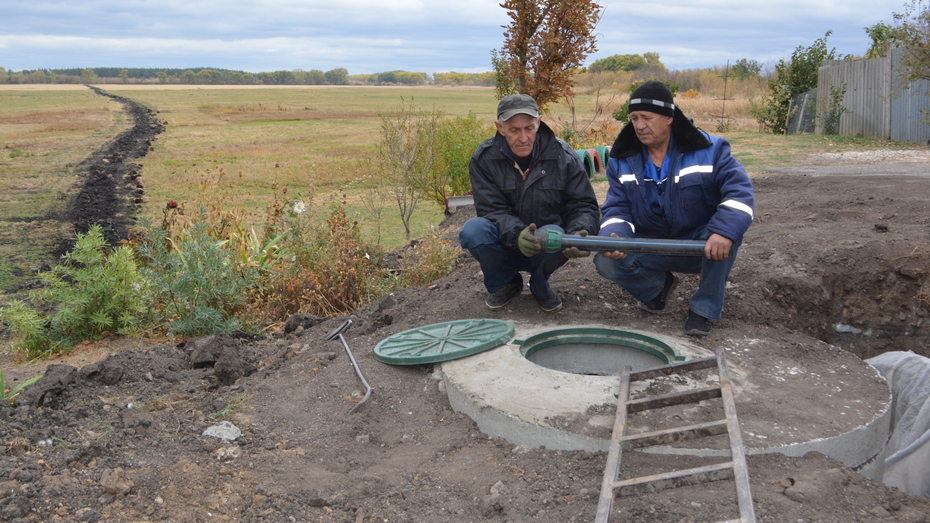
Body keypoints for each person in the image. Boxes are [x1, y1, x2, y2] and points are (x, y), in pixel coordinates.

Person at [594, 81, 754, 335]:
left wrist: (723, 231)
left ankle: (703, 310)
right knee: (605, 260)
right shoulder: (620, 161)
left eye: (647, 117)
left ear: (669, 118)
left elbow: (740, 194)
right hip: (652, 243)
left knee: (729, 231)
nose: (639, 125)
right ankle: (657, 288)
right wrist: (615, 236)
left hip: (701, 244)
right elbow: (617, 208)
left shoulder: (711, 150)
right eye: (634, 118)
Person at [459, 94, 600, 313]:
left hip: (548, 244)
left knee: (554, 232)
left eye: (529, 128)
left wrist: (578, 232)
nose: (523, 137)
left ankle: (540, 285)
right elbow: (491, 210)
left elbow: (583, 204)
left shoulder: (564, 156)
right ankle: (506, 283)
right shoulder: (484, 159)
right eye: (514, 130)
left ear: (539, 122)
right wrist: (517, 234)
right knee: (473, 230)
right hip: (505, 242)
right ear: (500, 127)